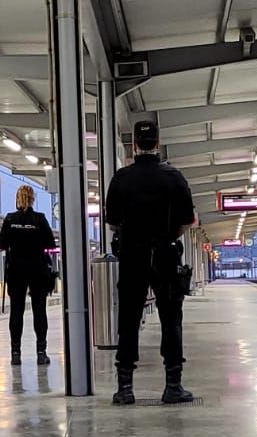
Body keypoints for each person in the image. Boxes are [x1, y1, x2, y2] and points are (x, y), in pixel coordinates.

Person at [105, 120, 196, 405]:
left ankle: (125, 388)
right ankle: (172, 385)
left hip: (132, 254)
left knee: (129, 319)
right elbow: (186, 221)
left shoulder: (121, 178)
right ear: (158, 142)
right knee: (171, 318)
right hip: (166, 253)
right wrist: (166, 235)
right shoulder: (174, 177)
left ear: (134, 145)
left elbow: (112, 221)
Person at [0, 185, 57, 366]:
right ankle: (41, 352)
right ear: (33, 199)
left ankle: (16, 353)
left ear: (17, 198)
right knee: (40, 310)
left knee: (16, 311)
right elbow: (51, 243)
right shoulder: (40, 219)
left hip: (16, 269)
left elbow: (1, 244)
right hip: (37, 269)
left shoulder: (10, 219)